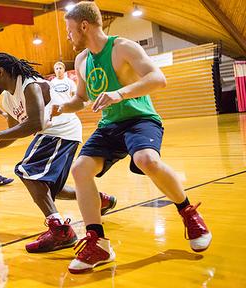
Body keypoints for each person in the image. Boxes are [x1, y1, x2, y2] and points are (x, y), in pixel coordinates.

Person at [51, 1, 212, 273]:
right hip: (110, 125)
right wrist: (63, 107)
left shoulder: (122, 47)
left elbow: (158, 78)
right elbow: (81, 98)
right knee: (80, 170)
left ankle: (189, 213)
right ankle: (98, 242)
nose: (68, 36)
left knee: (147, 159)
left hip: (140, 119)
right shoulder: (81, 61)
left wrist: (120, 93)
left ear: (83, 26)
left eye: (69, 30)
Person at [0, 52, 116, 253]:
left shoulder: (30, 84)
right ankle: (99, 200)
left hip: (61, 129)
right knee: (50, 188)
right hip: (52, 134)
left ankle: (61, 231)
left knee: (26, 171)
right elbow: (12, 134)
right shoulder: (7, 100)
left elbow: (35, 123)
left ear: (1, 72)